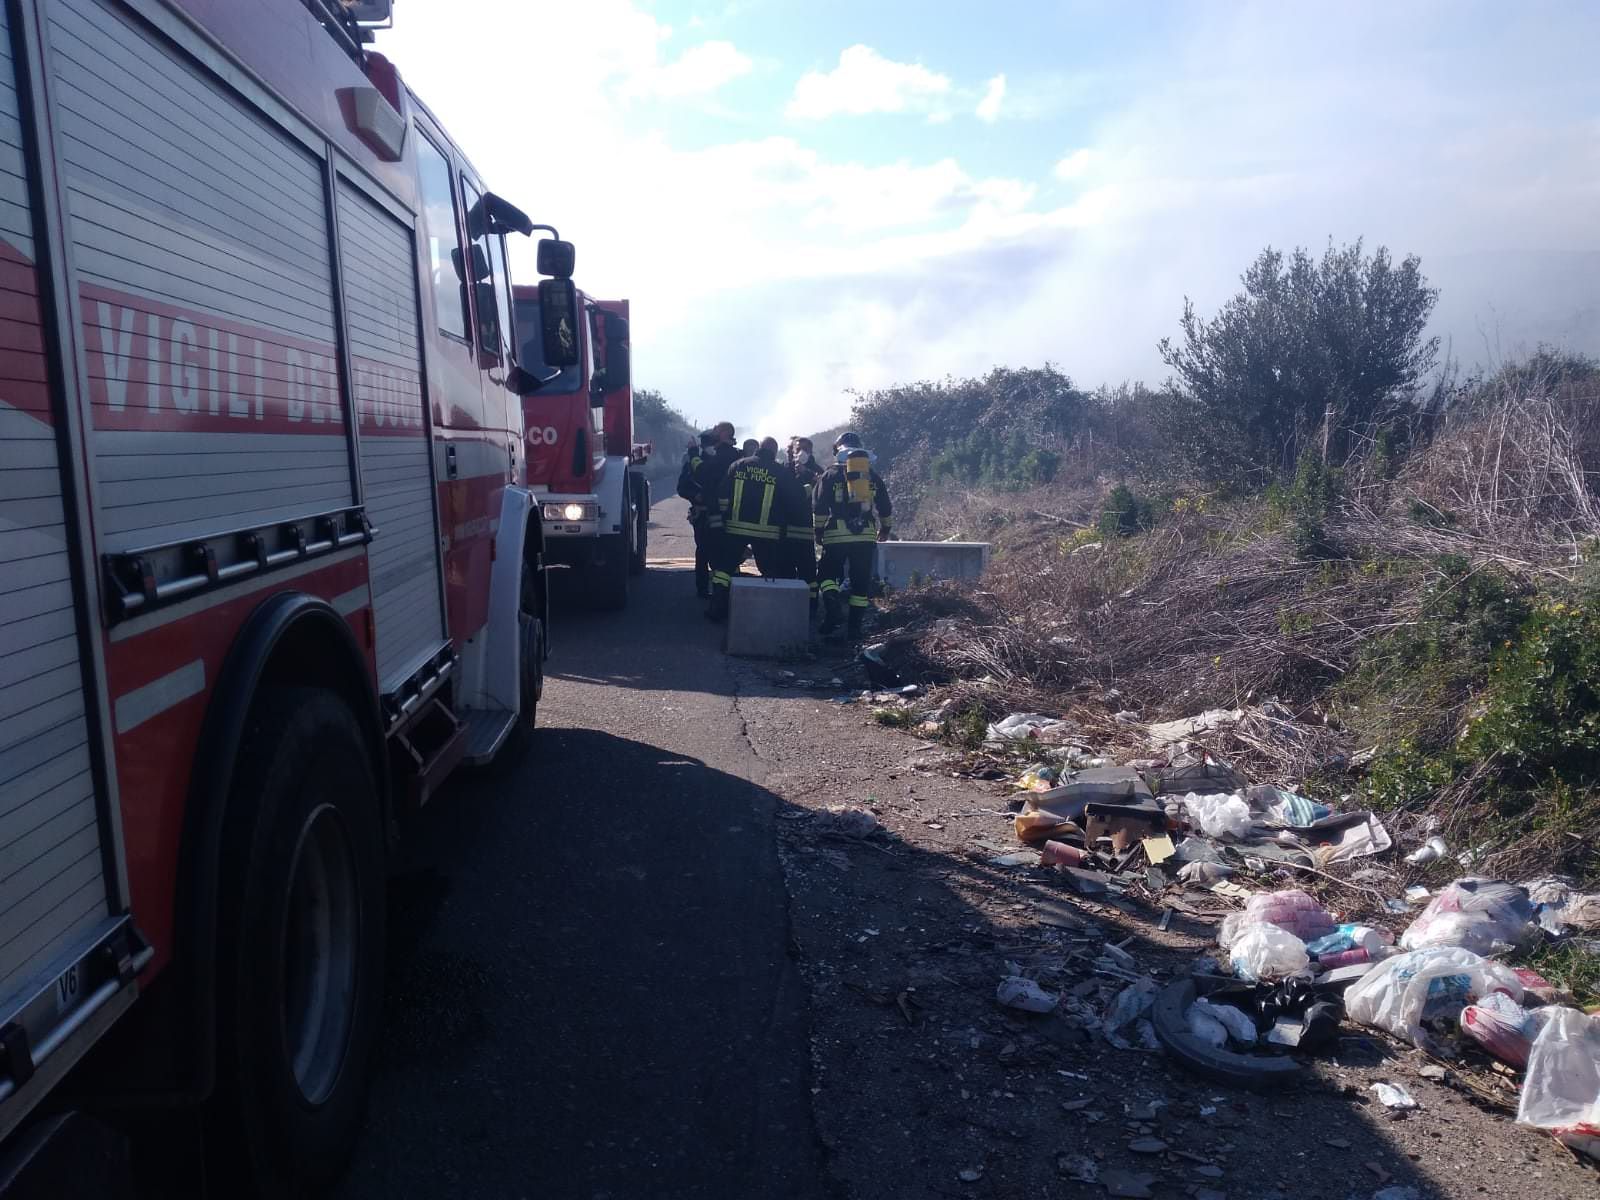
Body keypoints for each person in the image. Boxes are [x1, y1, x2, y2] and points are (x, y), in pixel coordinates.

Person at [708, 437, 801, 622]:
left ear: (759, 448)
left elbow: (723, 496)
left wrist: (724, 519)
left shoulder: (738, 466)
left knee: (724, 569)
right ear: (774, 452)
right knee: (769, 571)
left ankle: (717, 608)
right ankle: (769, 614)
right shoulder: (779, 472)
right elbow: (791, 501)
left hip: (735, 528)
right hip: (767, 532)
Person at [812, 431, 893, 640]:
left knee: (826, 576)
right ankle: (854, 630)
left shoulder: (829, 475)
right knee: (860, 584)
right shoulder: (871, 475)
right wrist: (885, 529)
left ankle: (833, 609)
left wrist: (818, 532)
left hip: (836, 535)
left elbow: (819, 508)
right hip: (865, 536)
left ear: (837, 451)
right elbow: (884, 506)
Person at [693, 422, 741, 612]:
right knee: (724, 558)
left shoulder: (724, 455)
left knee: (718, 559)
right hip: (726, 515)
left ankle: (720, 604)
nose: (713, 433)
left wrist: (693, 455)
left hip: (718, 517)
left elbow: (703, 474)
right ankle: (726, 600)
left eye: (716, 430)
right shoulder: (732, 454)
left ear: (724, 433)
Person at [676, 431, 715, 597]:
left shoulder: (724, 461)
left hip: (723, 515)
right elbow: (682, 488)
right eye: (706, 444)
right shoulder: (693, 463)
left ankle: (723, 589)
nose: (709, 447)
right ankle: (702, 588)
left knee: (722, 552)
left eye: (711, 443)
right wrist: (695, 495)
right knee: (703, 551)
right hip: (702, 515)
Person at [787, 437, 824, 613]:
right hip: (785, 531)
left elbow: (823, 489)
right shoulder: (786, 469)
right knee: (785, 571)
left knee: (808, 573)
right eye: (798, 449)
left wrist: (806, 473)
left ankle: (811, 608)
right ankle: (787, 606)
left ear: (811, 452)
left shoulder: (817, 471)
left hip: (806, 531)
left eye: (805, 449)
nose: (801, 452)